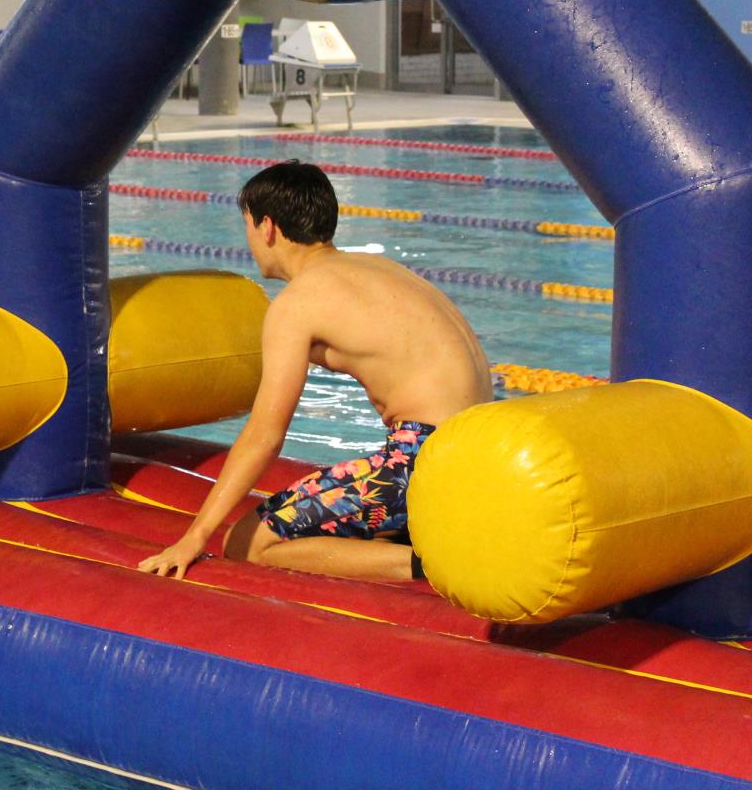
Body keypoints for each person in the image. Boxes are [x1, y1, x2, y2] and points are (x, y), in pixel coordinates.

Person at [138, 161, 490, 582]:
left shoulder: (297, 304)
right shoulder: (383, 270)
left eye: (247, 225)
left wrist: (195, 536)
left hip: (423, 466)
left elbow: (265, 435)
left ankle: (435, 567)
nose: (249, 239)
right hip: (481, 455)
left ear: (267, 227)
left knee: (248, 542)